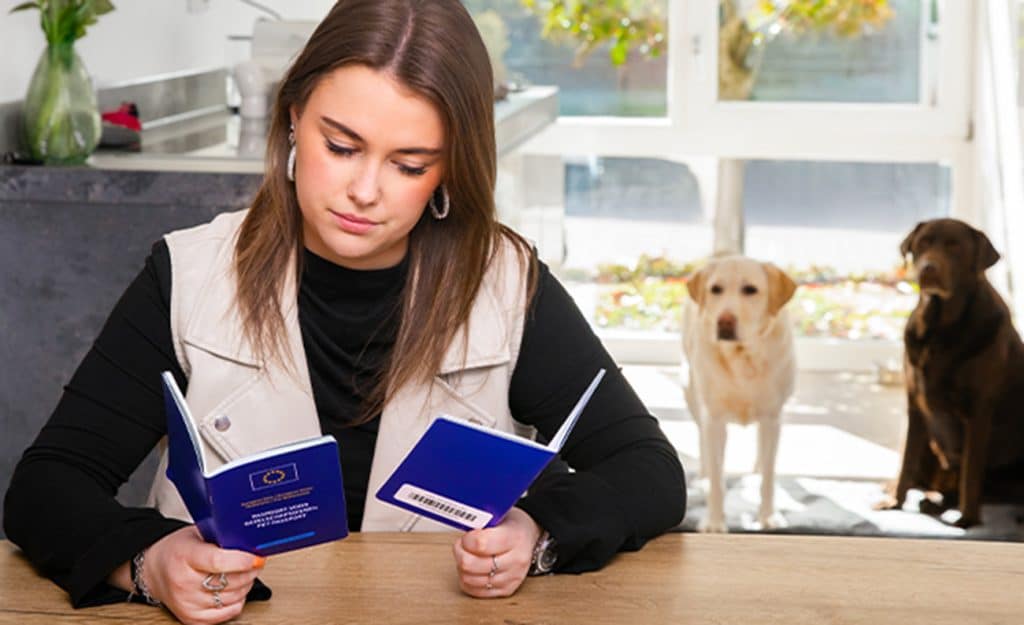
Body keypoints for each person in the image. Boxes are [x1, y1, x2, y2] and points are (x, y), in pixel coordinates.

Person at [3, 1, 687, 623]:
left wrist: (537, 532)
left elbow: (648, 468)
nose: (365, 191)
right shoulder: (188, 271)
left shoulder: (505, 280)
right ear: (294, 114)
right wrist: (150, 563)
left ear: (451, 169)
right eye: (341, 145)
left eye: (410, 165)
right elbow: (45, 485)